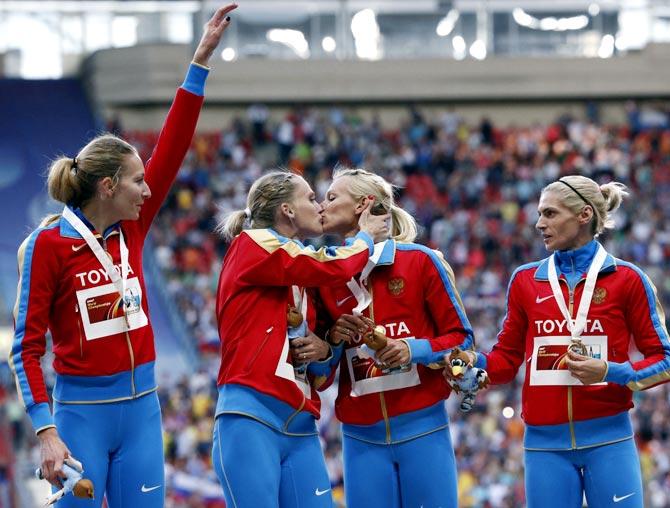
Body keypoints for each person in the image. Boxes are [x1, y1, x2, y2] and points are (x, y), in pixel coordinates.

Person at [8, 5, 238, 507]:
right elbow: (24, 349)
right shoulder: (49, 247)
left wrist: (199, 63)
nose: (147, 187)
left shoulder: (131, 228)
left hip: (141, 413)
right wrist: (46, 432)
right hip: (80, 418)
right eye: (137, 180)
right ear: (108, 186)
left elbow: (173, 148)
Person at [462, 175, 670, 508]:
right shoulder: (525, 280)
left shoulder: (628, 279)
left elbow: (665, 360)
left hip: (610, 440)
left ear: (584, 215)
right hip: (545, 447)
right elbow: (504, 362)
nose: (539, 223)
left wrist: (610, 371)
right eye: (540, 214)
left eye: (550, 214)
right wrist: (473, 363)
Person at [212, 170, 390, 508]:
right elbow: (331, 266)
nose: (320, 206)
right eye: (311, 198)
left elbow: (321, 375)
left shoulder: (301, 276)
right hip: (252, 414)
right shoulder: (253, 243)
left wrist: (325, 348)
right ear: (287, 211)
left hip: (300, 422)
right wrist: (364, 238)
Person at [316, 168, 474, 508]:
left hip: (423, 428)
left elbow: (462, 341)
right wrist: (330, 341)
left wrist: (411, 349)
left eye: (331, 198)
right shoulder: (325, 275)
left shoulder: (420, 261)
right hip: (360, 438)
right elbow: (321, 375)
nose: (320, 206)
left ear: (364, 205)